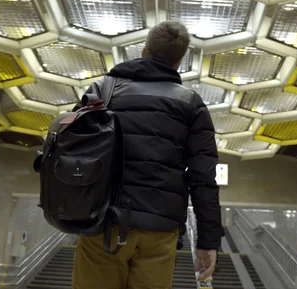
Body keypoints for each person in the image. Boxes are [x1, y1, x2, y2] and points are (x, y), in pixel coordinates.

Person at [71, 21, 222, 289]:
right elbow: (203, 179)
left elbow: (73, 148)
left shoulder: (103, 91)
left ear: (143, 52)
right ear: (178, 63)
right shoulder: (191, 104)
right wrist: (208, 241)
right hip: (159, 230)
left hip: (103, 223)